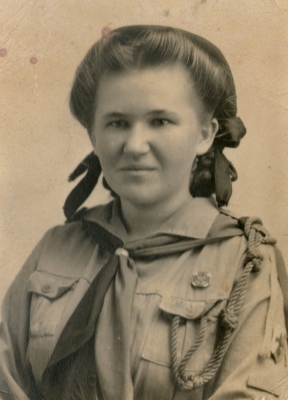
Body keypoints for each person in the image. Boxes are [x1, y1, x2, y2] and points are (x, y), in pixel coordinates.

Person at [0, 25, 287, 400]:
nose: (135, 146)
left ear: (204, 134)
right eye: (117, 123)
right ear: (93, 136)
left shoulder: (243, 263)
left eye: (160, 121)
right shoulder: (55, 250)